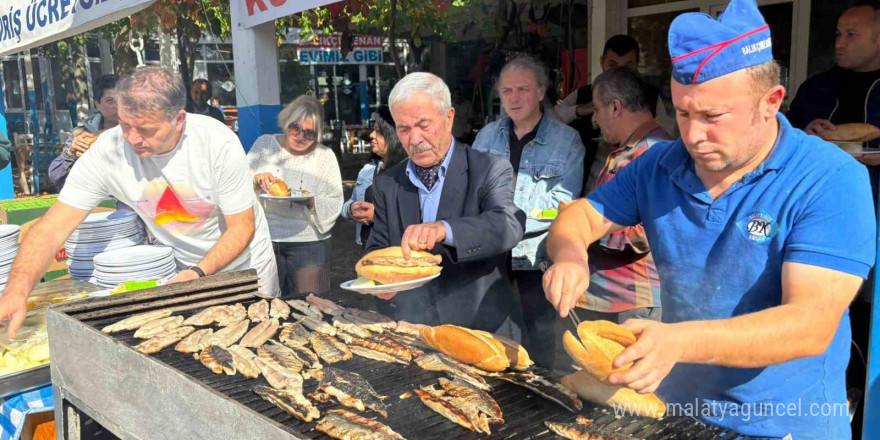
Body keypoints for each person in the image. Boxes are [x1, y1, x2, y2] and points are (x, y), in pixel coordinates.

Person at [542, 0, 875, 438]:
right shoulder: (659, 164)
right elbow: (581, 217)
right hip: (678, 412)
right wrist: (569, 256)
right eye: (682, 112)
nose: (693, 135)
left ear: (770, 102)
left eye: (712, 116)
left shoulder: (829, 177)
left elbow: (809, 324)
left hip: (785, 422)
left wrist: (679, 340)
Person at [0, 67, 281, 338]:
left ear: (178, 120)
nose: (133, 139)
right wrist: (16, 290)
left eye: (146, 129)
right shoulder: (107, 152)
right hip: (180, 272)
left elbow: (241, 228)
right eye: (125, 125)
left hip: (245, 269)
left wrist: (197, 273)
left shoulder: (216, 142)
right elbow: (51, 230)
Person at [365, 72, 526, 335]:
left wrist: (445, 229)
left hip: (481, 329)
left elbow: (508, 224)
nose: (414, 140)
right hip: (415, 329)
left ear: (449, 117)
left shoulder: (488, 168)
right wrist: (380, 282)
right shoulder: (386, 184)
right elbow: (376, 248)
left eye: (423, 125)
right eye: (403, 129)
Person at [471, 55, 584, 367]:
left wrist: (507, 217)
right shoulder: (487, 136)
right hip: (492, 256)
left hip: (537, 257)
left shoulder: (567, 141)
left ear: (540, 92)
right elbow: (472, 189)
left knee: (538, 340)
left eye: (522, 89)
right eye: (507, 91)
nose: (514, 98)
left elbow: (561, 206)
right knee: (490, 334)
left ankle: (538, 401)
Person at [578, 66, 670, 324]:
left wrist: (588, 227)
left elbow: (651, 230)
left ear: (616, 107)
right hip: (608, 297)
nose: (594, 119)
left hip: (632, 302)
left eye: (597, 109)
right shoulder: (628, 149)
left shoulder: (656, 152)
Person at [248, 96, 343, 296]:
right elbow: (239, 185)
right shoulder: (264, 144)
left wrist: (311, 201)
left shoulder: (324, 156)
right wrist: (256, 179)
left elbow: (335, 199)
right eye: (295, 128)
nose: (300, 136)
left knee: (313, 306)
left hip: (310, 243)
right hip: (266, 240)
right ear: (285, 122)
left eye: (309, 133)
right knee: (265, 305)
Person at [341, 106, 406, 246]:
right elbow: (348, 204)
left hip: (397, 251)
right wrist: (351, 209)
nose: (371, 135)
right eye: (373, 130)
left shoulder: (411, 173)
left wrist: (378, 215)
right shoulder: (368, 170)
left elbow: (418, 216)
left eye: (378, 132)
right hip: (368, 248)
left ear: (394, 135)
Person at [48, 74, 119, 190]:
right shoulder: (83, 135)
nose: (117, 106)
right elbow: (55, 176)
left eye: (121, 99)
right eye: (110, 101)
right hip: (96, 202)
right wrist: (70, 153)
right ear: (97, 104)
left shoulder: (141, 132)